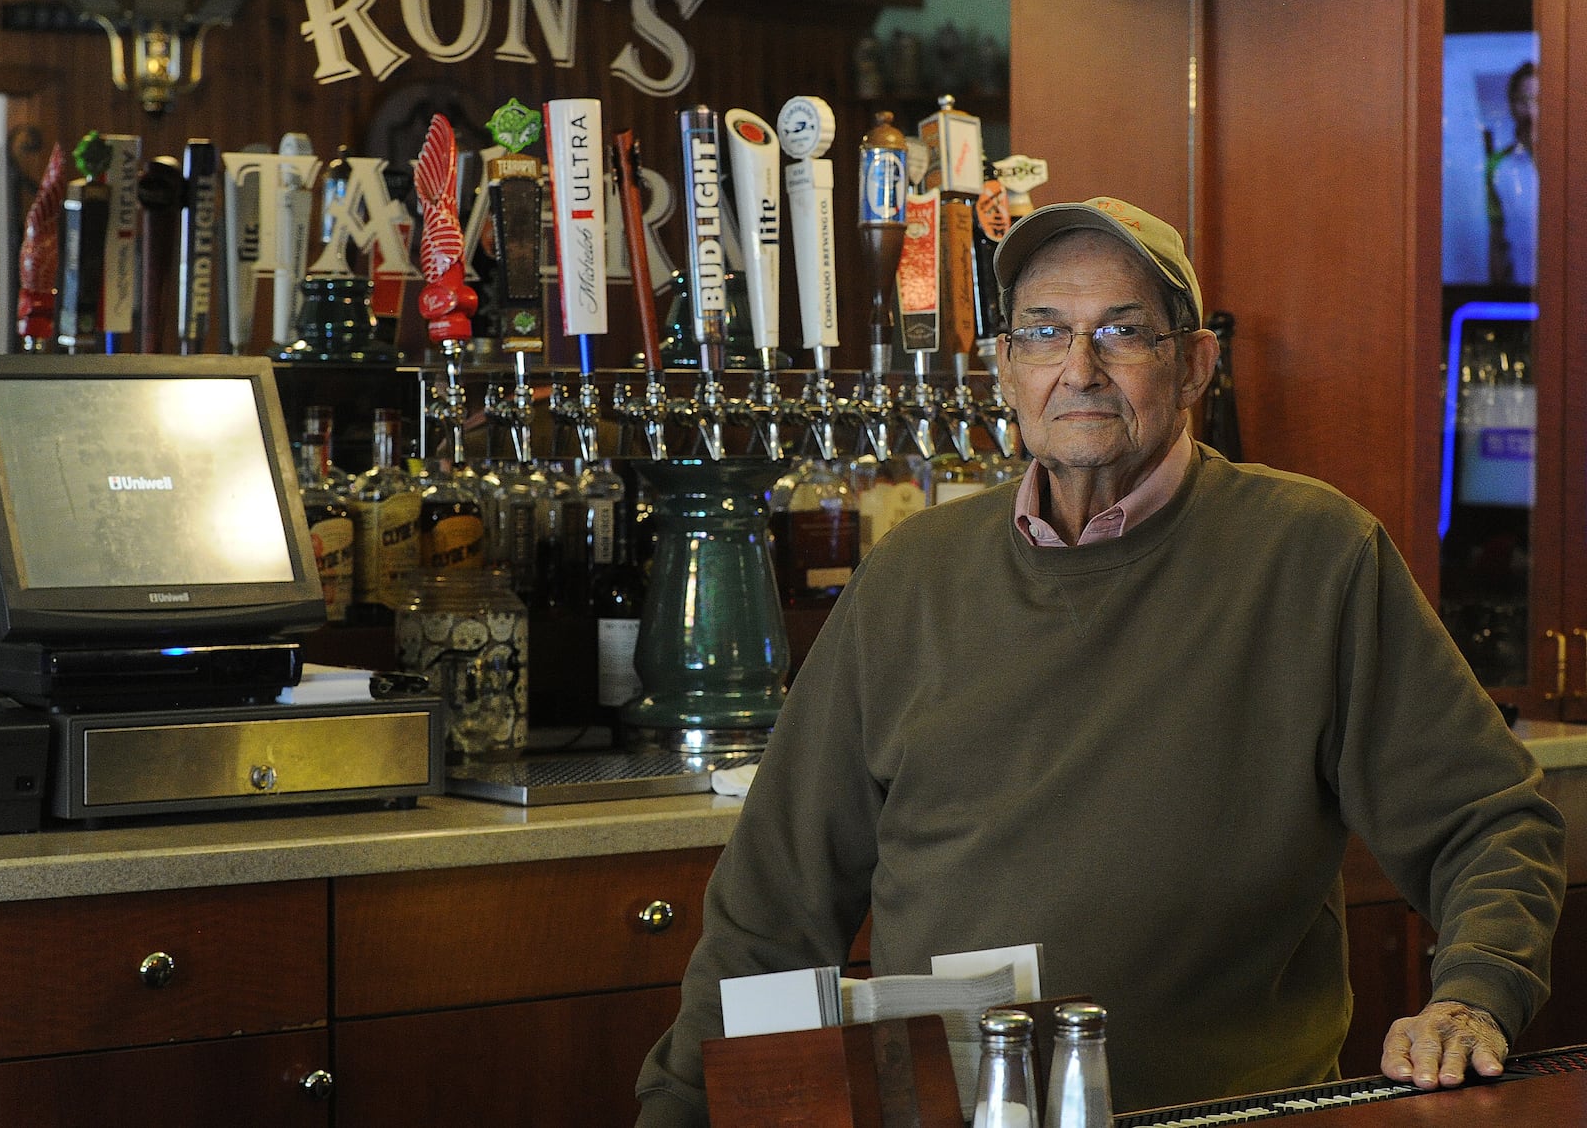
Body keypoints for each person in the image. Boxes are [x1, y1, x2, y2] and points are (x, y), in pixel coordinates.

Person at [634, 196, 1566, 1125]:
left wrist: (1474, 993)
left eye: (1122, 333)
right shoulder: (911, 575)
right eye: (1044, 334)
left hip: (1226, 1118)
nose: (1078, 369)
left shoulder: (1312, 553)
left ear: (1195, 363)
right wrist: (676, 1110)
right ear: (1005, 368)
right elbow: (774, 906)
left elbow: (1487, 821)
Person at [1486, 60, 1538, 286]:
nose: (1530, 111)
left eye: (1538, 100)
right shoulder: (1498, 166)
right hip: (1520, 290)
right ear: (1511, 105)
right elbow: (1496, 237)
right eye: (1522, 101)